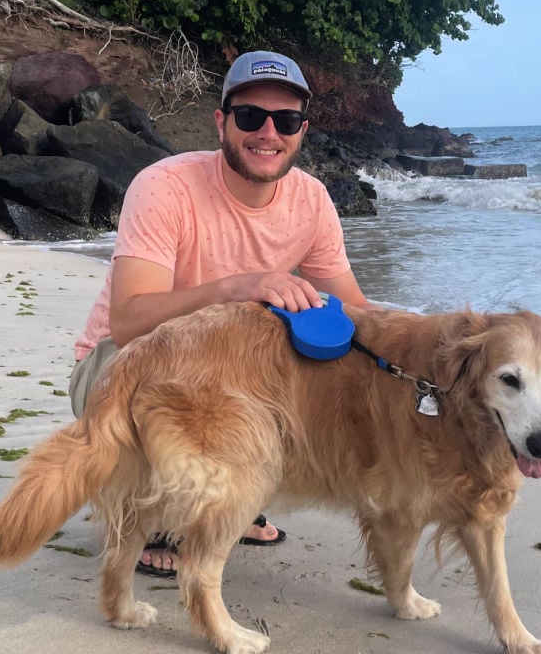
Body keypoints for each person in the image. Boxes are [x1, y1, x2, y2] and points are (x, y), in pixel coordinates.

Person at [68, 50, 373, 578]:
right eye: (251, 116)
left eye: (287, 120)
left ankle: (229, 494)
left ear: (302, 129)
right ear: (222, 122)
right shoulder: (165, 186)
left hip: (222, 375)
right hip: (116, 370)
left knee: (329, 363)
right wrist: (238, 287)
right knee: (174, 365)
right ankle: (146, 513)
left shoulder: (312, 201)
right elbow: (129, 322)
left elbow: (361, 314)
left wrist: (439, 351)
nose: (268, 133)